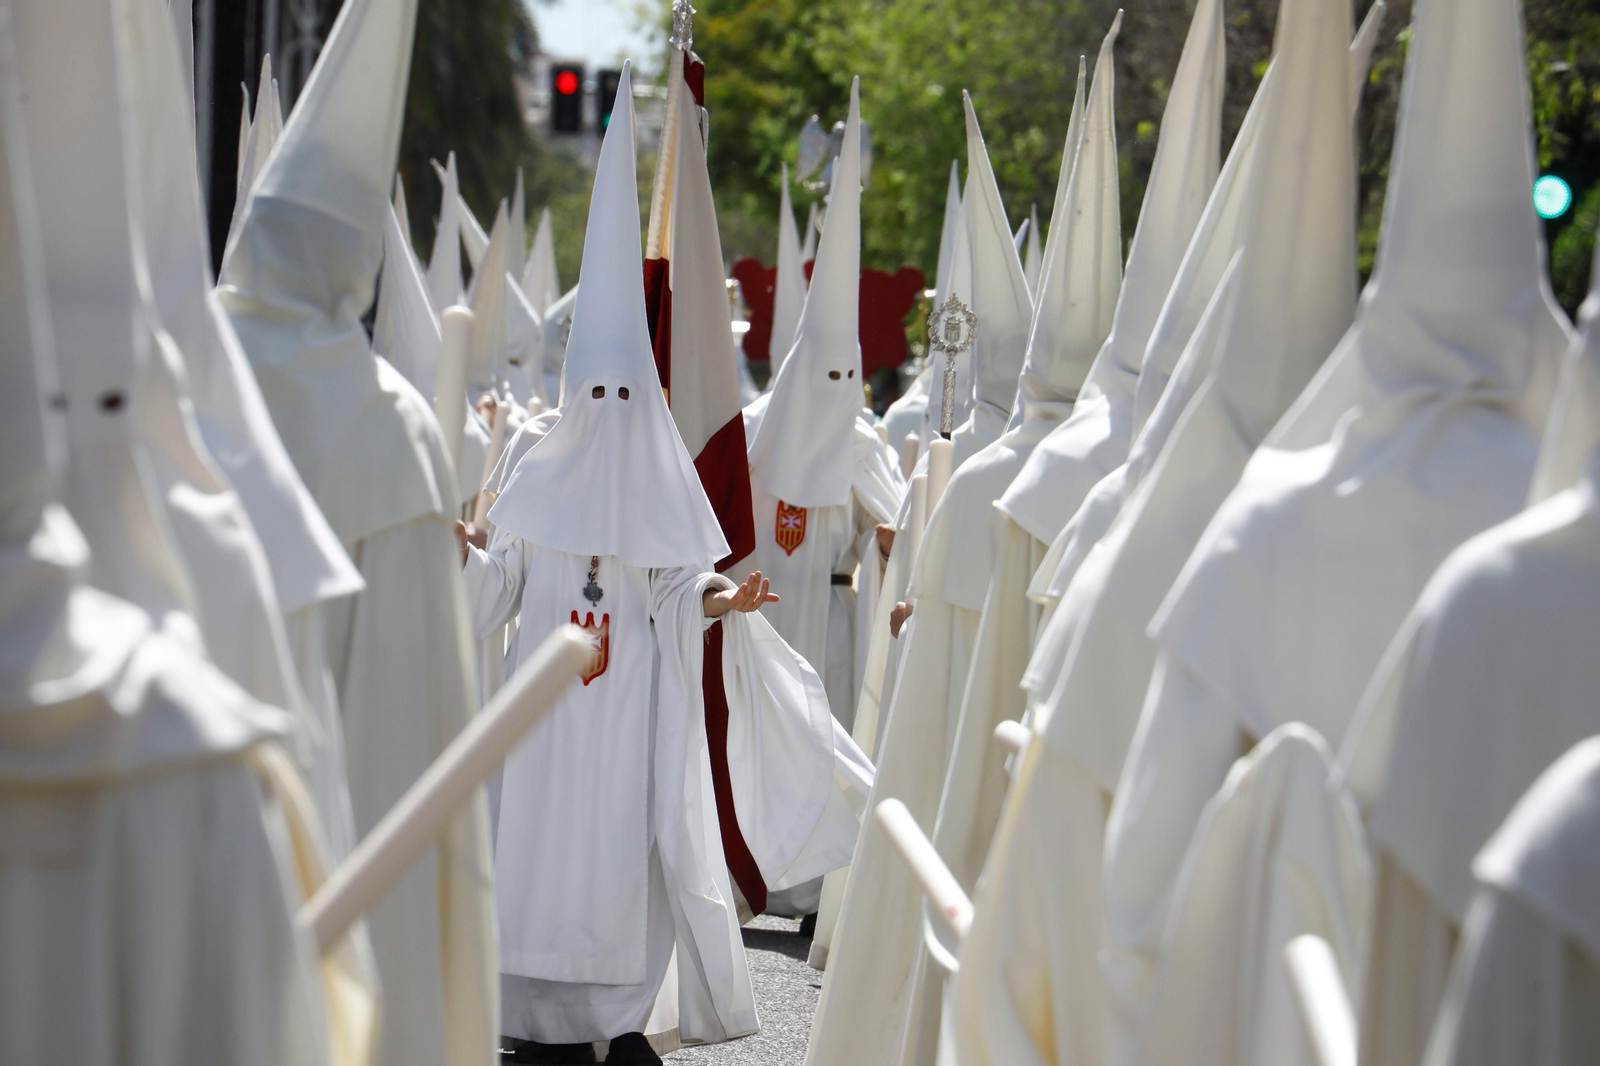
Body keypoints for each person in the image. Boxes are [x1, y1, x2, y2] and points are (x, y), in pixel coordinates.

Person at [462, 62, 870, 1065]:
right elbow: (503, 582)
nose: (607, 411)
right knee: (532, 848)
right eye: (593, 391)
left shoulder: (658, 463)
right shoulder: (533, 456)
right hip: (538, 709)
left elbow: (676, 582)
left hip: (630, 703)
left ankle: (611, 1022)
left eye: (622, 391)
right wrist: (462, 562)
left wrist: (725, 595)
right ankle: (523, 1019)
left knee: (620, 853)